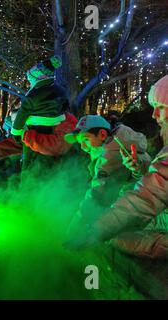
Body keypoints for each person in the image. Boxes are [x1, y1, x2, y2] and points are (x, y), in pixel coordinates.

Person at [66, 75, 168, 258]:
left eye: (160, 107)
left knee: (117, 237)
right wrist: (138, 170)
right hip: (154, 206)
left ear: (103, 134)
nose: (154, 115)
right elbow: (155, 179)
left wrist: (83, 228)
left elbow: (99, 192)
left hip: (157, 211)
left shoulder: (109, 153)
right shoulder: (119, 142)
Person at [65, 115, 151, 232]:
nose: (83, 147)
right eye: (80, 142)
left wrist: (75, 228)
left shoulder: (109, 156)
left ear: (102, 134)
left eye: (85, 139)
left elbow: (97, 194)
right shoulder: (120, 140)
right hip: (140, 202)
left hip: (141, 211)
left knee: (111, 239)